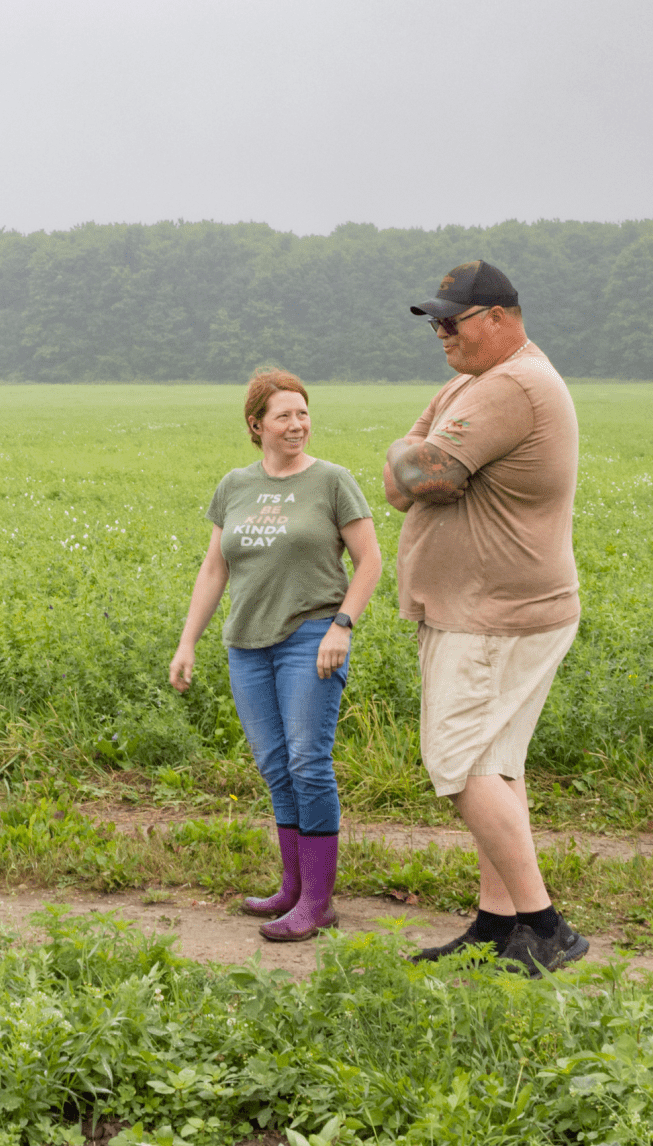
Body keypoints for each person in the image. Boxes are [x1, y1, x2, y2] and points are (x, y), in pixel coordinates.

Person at [386, 260, 590, 975]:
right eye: (434, 321)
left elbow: (415, 475)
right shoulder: (478, 381)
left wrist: (404, 451)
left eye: (453, 320)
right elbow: (407, 477)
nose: (440, 333)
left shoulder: (510, 386)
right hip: (496, 609)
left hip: (493, 615)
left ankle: (545, 924)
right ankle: (497, 925)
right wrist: (411, 456)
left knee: (459, 759)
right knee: (497, 765)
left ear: (499, 316)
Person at [170, 368, 382, 942]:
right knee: (274, 766)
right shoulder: (235, 485)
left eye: (304, 413)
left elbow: (371, 561)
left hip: (311, 636)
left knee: (309, 764)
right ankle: (292, 887)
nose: (298, 425)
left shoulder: (333, 482)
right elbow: (215, 568)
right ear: (256, 424)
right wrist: (188, 641)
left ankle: (317, 899)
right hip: (247, 646)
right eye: (285, 415)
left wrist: (343, 625)